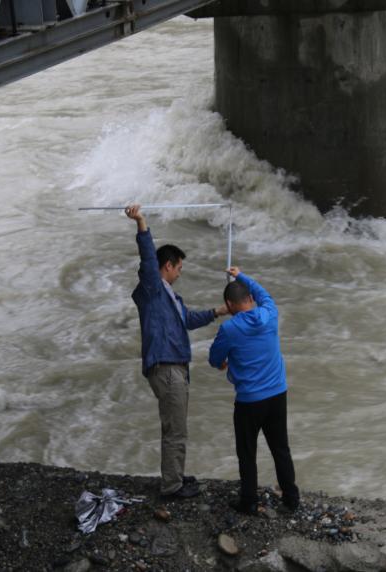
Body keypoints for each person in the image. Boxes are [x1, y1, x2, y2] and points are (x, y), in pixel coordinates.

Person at [125, 204, 228, 499]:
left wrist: (218, 311)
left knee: (176, 426)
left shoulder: (171, 297)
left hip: (174, 368)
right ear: (168, 265)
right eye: (179, 268)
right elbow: (147, 258)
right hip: (167, 367)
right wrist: (141, 222)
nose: (180, 273)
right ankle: (172, 486)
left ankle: (176, 476)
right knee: (176, 430)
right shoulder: (153, 287)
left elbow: (189, 320)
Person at [208, 266, 300, 514]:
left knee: (247, 452)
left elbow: (214, 359)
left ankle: (248, 501)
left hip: (250, 401)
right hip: (277, 394)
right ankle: (291, 497)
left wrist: (224, 363)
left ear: (229, 304)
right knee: (281, 447)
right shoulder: (270, 313)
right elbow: (264, 293)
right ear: (250, 299)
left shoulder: (229, 329)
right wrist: (240, 275)